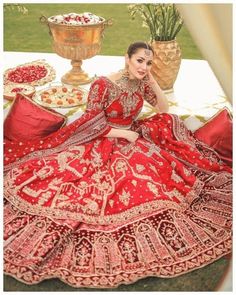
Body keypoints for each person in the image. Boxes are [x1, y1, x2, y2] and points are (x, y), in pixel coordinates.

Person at [4, 41, 232, 289]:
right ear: (127, 58)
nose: (143, 66)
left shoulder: (141, 83)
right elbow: (93, 121)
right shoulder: (103, 84)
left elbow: (163, 109)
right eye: (139, 61)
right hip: (103, 140)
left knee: (157, 179)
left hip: (131, 138)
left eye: (148, 62)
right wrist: (123, 135)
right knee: (89, 185)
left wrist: (152, 79)